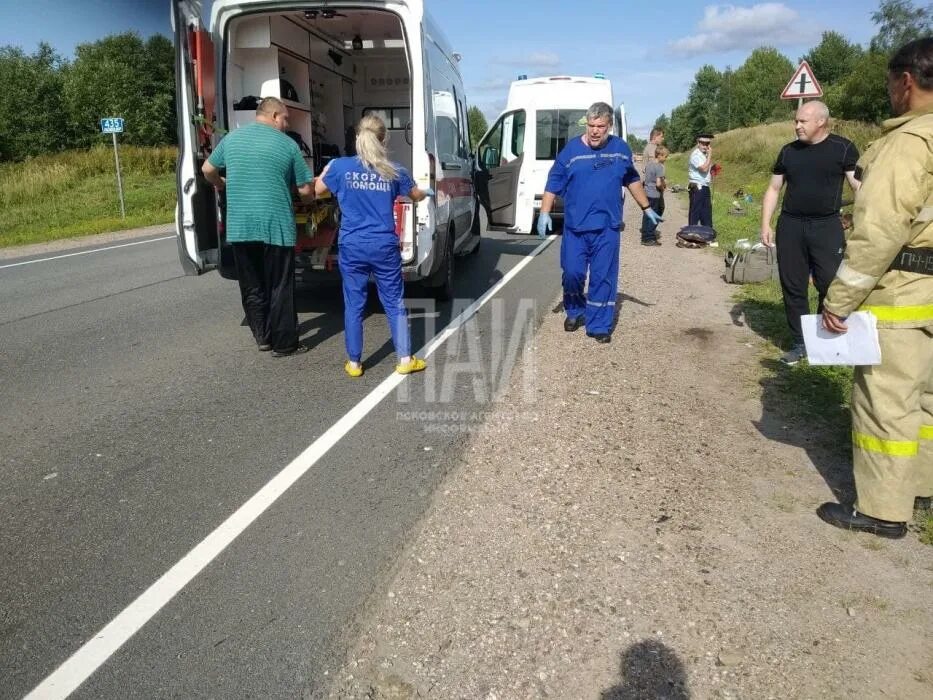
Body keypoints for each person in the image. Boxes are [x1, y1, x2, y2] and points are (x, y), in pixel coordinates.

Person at [816, 38, 933, 540]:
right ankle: (921, 485)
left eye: (889, 83)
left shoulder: (908, 143)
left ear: (906, 81)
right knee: (924, 399)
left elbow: (880, 231)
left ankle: (884, 509)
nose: (888, 93)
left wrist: (838, 300)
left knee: (885, 400)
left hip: (903, 292)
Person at [315, 115, 433, 377]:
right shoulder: (394, 171)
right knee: (393, 302)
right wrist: (427, 191)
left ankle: (355, 363)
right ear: (384, 139)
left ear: (358, 136)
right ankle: (404, 359)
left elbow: (317, 190)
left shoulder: (341, 167)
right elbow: (416, 196)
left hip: (352, 245)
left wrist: (326, 171)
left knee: (354, 303)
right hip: (383, 245)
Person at [537, 102, 662, 343]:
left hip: (607, 228)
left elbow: (631, 179)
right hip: (576, 228)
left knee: (603, 277)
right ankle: (575, 309)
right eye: (591, 125)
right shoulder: (571, 152)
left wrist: (646, 207)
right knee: (572, 273)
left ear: (609, 127)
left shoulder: (620, 150)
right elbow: (553, 182)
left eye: (600, 126)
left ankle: (599, 325)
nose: (595, 131)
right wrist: (544, 212)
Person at [202, 96, 314, 357]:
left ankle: (262, 336)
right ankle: (284, 343)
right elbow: (306, 189)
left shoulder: (231, 139)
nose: (286, 124)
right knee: (280, 285)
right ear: (274, 115)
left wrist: (221, 183)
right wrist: (307, 198)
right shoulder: (288, 145)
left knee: (252, 285)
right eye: (285, 118)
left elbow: (207, 168)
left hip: (241, 227)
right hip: (275, 227)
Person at [760, 101, 860, 365]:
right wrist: (765, 224)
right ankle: (800, 342)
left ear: (821, 122)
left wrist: (859, 218)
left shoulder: (843, 148)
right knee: (793, 285)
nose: (797, 125)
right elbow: (773, 189)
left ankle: (824, 336)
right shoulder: (788, 152)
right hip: (791, 225)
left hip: (827, 225)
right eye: (796, 121)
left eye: (802, 121)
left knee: (829, 283)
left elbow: (859, 186)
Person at [641, 145, 668, 246]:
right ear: (660, 155)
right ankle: (649, 237)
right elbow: (658, 183)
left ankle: (645, 235)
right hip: (655, 195)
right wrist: (663, 188)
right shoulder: (659, 167)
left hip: (646, 193)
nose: (666, 159)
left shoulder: (649, 164)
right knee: (657, 213)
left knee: (647, 213)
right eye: (665, 157)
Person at [687, 133, 714, 227]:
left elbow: (707, 170)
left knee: (706, 213)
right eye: (703, 143)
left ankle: (707, 235)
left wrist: (713, 169)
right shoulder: (695, 155)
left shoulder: (705, 155)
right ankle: (691, 235)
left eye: (707, 144)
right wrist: (710, 155)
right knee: (695, 213)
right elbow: (704, 169)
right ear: (698, 143)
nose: (705, 146)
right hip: (697, 187)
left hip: (705, 186)